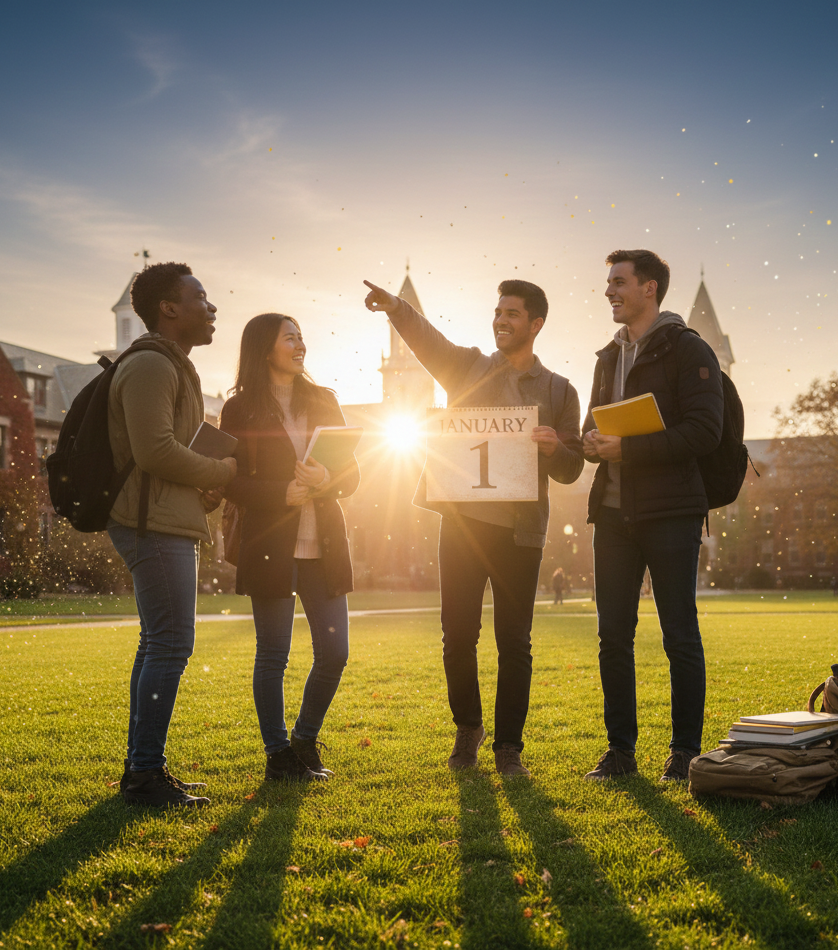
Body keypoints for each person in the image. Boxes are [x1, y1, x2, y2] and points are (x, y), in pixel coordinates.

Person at [364, 277, 584, 776]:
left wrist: (555, 448)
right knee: (457, 635)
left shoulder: (559, 390)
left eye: (512, 314)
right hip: (463, 525)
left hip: (520, 531)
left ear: (536, 324)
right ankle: (468, 728)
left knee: (514, 640)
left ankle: (509, 747)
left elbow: (572, 468)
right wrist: (397, 308)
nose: (501, 321)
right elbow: (428, 340)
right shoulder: (467, 368)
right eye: (497, 311)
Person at [582, 250, 723, 783]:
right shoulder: (605, 357)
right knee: (612, 636)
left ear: (650, 288)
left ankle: (685, 752)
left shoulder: (689, 350)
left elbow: (704, 432)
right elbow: (593, 428)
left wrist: (628, 450)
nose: (609, 291)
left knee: (678, 635)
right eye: (608, 282)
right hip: (613, 516)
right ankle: (619, 753)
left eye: (619, 282)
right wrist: (590, 443)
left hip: (670, 514)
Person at [108, 262, 238, 808]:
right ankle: (144, 776)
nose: (212, 309)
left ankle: (143, 768)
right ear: (169, 308)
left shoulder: (174, 366)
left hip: (163, 519)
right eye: (201, 298)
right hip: (151, 526)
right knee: (170, 644)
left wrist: (203, 491)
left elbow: (168, 458)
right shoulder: (151, 366)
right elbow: (154, 452)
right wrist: (224, 473)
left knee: (157, 643)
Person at [219, 313, 359, 782]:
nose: (300, 345)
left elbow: (353, 475)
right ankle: (278, 755)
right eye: (290, 338)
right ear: (264, 349)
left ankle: (304, 739)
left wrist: (328, 480)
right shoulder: (240, 410)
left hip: (325, 546)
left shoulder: (324, 401)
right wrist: (282, 493)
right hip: (270, 546)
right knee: (273, 653)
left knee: (334, 653)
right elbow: (232, 483)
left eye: (302, 336)